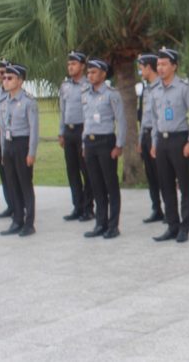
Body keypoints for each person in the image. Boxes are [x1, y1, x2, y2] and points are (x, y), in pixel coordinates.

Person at [150, 48, 189, 243]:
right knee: (166, 185)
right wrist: (154, 143)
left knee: (184, 186)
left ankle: (184, 227)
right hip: (162, 141)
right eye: (158, 65)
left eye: (164, 64)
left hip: (179, 140)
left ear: (174, 66)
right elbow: (154, 119)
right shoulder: (155, 90)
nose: (160, 68)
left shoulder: (184, 88)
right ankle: (172, 225)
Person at [81, 59, 126, 239]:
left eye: (94, 72)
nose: (90, 75)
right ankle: (100, 223)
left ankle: (113, 226)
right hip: (90, 142)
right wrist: (84, 144)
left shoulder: (111, 94)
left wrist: (119, 145)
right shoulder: (85, 94)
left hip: (106, 142)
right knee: (96, 185)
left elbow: (121, 120)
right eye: (88, 72)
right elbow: (86, 121)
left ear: (103, 74)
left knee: (110, 185)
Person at [0, 63, 39, 237]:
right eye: (4, 78)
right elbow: (2, 129)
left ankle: (29, 223)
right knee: (12, 183)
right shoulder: (4, 102)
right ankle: (17, 220)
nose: (5, 81)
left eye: (10, 78)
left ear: (20, 81)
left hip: (22, 144)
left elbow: (34, 129)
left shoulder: (28, 102)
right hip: (9, 145)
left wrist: (31, 152)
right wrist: (3, 151)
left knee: (25, 184)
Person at [58, 51, 95, 222]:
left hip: (83, 130)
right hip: (69, 130)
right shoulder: (65, 86)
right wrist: (61, 132)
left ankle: (88, 208)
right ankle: (77, 206)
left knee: (86, 170)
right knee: (72, 170)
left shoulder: (88, 85)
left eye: (73, 64)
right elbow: (62, 110)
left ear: (82, 66)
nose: (70, 67)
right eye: (69, 64)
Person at [137, 54, 164, 223]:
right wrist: (140, 139)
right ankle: (156, 208)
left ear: (148, 67)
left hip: (158, 136)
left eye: (141, 68)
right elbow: (143, 116)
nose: (140, 72)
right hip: (146, 135)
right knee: (151, 176)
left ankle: (169, 210)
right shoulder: (146, 89)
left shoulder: (161, 87)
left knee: (162, 175)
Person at [0, 59, 15, 220]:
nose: (0, 75)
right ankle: (10, 205)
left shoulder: (13, 94)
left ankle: (19, 205)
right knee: (3, 174)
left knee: (13, 174)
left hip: (9, 137)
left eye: (3, 72)